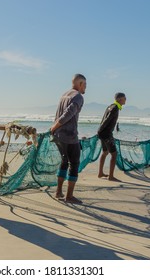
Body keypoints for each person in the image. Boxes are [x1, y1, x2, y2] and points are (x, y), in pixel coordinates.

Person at [50, 74, 87, 204]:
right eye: (85, 85)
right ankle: (69, 196)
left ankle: (58, 191)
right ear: (80, 83)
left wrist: (54, 129)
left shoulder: (64, 94)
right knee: (74, 163)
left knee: (64, 161)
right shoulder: (78, 96)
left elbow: (58, 113)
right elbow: (67, 115)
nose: (86, 88)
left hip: (59, 135)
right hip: (69, 135)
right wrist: (54, 126)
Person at [97, 92, 127, 181]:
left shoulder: (111, 106)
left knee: (105, 152)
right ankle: (111, 176)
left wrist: (100, 131)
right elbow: (106, 120)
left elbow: (104, 119)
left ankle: (100, 173)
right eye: (124, 98)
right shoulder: (115, 108)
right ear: (119, 99)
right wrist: (100, 130)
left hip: (103, 133)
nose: (126, 100)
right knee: (114, 154)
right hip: (106, 134)